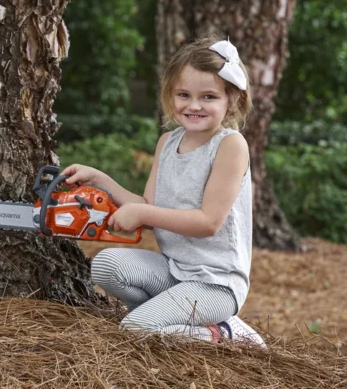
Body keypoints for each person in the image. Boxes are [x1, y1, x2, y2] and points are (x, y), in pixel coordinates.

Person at [61, 36, 266, 348]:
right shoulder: (168, 143)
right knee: (105, 265)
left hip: (216, 284)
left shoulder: (229, 145)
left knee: (133, 330)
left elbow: (208, 222)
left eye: (208, 96)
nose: (194, 105)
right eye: (184, 94)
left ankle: (224, 332)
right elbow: (146, 205)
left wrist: (142, 213)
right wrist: (100, 180)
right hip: (174, 270)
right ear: (170, 95)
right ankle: (155, 316)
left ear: (232, 100)